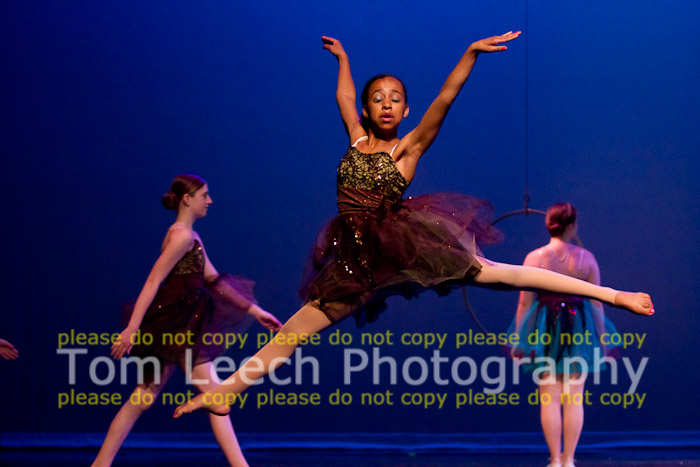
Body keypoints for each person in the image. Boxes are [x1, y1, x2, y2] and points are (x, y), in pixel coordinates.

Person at [174, 33, 653, 418]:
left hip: (400, 245)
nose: (386, 104)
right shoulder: (355, 138)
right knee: (296, 329)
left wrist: (470, 54)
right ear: (366, 110)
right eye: (377, 99)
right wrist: (343, 59)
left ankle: (615, 296)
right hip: (356, 260)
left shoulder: (408, 148)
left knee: (501, 274)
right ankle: (227, 392)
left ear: (405, 111)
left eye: (395, 99)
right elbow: (344, 94)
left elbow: (445, 98)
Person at [92, 174, 282, 467]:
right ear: (187, 199)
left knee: (149, 397)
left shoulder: (191, 236)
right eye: (204, 195)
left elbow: (215, 281)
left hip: (183, 326)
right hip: (177, 326)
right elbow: (154, 280)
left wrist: (255, 311)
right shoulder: (181, 236)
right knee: (210, 397)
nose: (210, 200)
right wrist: (132, 328)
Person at [511, 203, 624, 467]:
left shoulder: (534, 258)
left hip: (546, 329)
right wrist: (602, 338)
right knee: (574, 397)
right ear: (572, 226)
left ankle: (555, 460)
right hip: (577, 330)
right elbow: (597, 304)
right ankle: (568, 459)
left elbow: (525, 304)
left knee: (549, 398)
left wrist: (519, 339)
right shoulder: (586, 259)